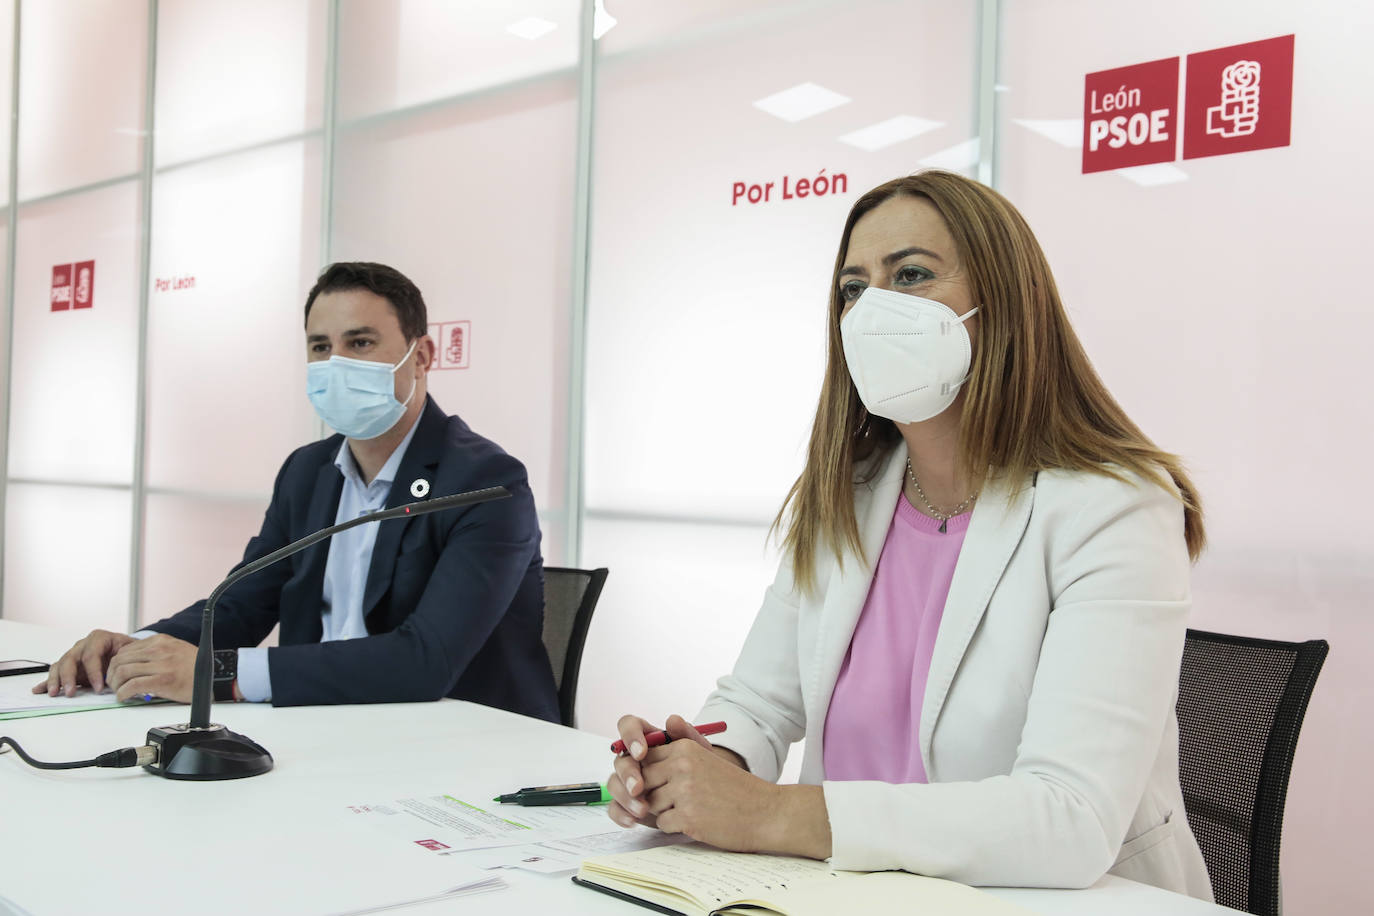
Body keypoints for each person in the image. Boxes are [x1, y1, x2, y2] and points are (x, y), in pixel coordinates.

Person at [607, 171, 1214, 899]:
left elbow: (1070, 818)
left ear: (1003, 305)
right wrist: (696, 773)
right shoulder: (848, 493)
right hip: (856, 895)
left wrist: (772, 815)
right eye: (853, 289)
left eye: (912, 275)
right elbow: (761, 704)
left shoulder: (1112, 508)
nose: (871, 312)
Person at [38, 262, 560, 722]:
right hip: (324, 724)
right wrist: (135, 649)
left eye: (359, 343)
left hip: (469, 745)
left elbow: (426, 661)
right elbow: (242, 605)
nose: (336, 364)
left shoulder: (486, 481)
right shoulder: (308, 470)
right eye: (320, 347)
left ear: (421, 356)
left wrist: (220, 674)